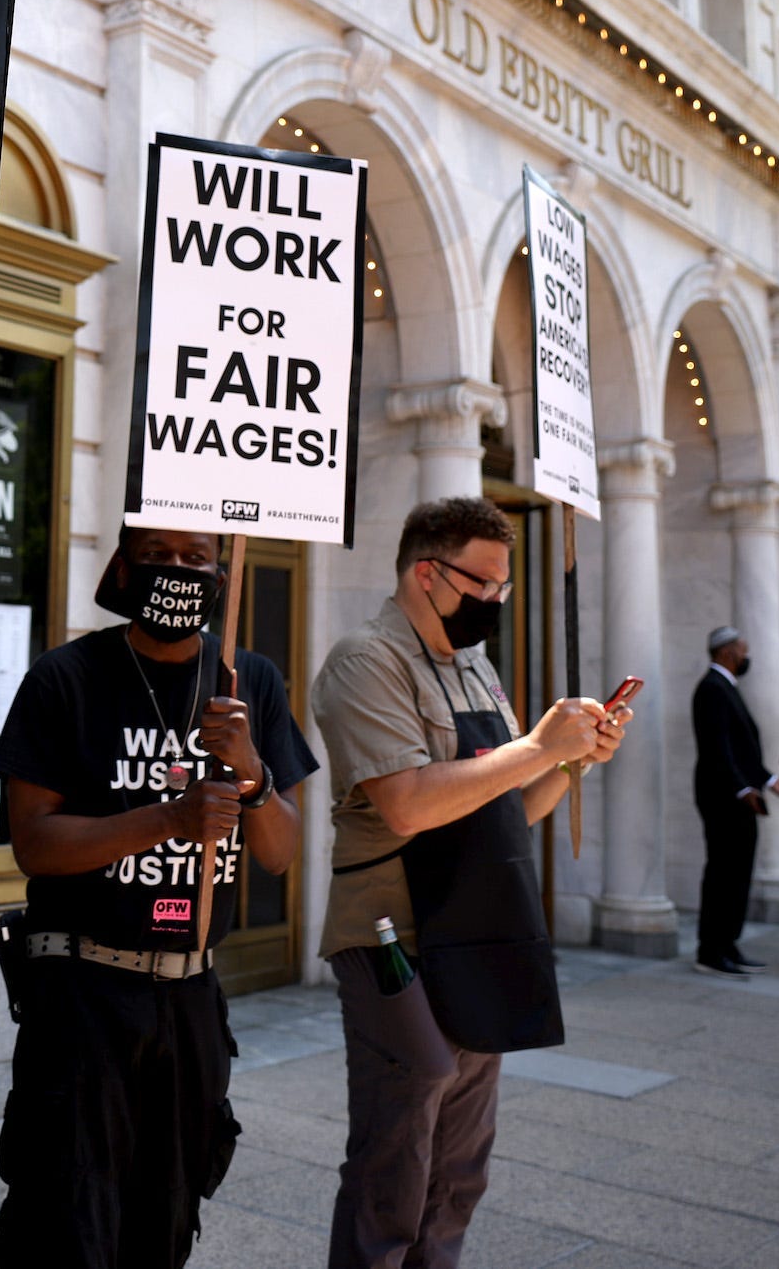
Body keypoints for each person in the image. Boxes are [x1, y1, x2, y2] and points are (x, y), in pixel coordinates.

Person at [0, 524, 319, 1269]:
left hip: (190, 995)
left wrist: (253, 775)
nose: (178, 570)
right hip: (82, 993)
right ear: (123, 568)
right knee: (65, 1218)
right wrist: (168, 818)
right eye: (158, 555)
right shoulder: (65, 676)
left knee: (165, 1218)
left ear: (222, 573)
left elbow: (280, 851)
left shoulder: (249, 683)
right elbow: (35, 844)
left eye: (197, 557)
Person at [315, 496, 628, 1269]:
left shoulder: (476, 665)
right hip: (397, 938)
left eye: (505, 587)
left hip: (475, 928)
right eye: (484, 584)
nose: (496, 601)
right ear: (428, 572)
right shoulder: (365, 661)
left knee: (459, 1166)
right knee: (396, 1161)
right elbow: (411, 803)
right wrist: (537, 746)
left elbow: (509, 809)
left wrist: (571, 757)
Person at [691, 626, 779, 977]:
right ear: (727, 653)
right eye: (743, 650)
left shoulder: (725, 687)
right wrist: (743, 789)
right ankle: (711, 951)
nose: (746, 657)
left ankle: (728, 945)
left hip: (736, 796)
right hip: (723, 798)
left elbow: (741, 748)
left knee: (738, 874)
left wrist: (769, 781)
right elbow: (717, 748)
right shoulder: (712, 688)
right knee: (724, 874)